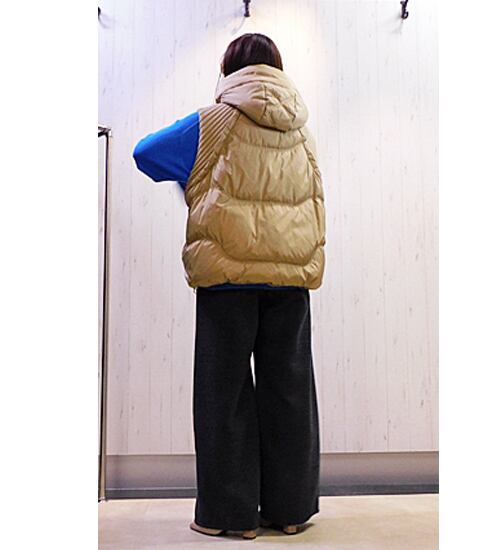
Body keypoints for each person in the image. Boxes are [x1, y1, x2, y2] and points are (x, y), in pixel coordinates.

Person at [133, 32, 326, 540]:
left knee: (225, 393)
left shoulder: (213, 121)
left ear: (228, 70)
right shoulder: (301, 131)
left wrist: (190, 176)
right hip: (290, 279)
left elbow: (145, 153)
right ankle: (289, 511)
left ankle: (229, 515)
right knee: (289, 392)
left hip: (227, 278)